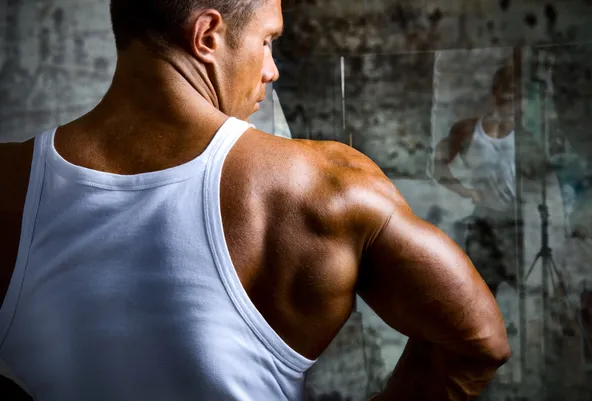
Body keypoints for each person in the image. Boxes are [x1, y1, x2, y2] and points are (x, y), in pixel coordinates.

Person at [0, 1, 510, 400]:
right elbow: (478, 341)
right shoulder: (324, 184)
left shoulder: (9, 182)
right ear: (207, 36)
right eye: (268, 40)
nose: (272, 70)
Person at [432, 64, 543, 297]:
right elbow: (437, 167)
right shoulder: (469, 130)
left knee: (519, 296)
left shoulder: (526, 138)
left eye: (516, 94)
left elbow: (544, 182)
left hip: (514, 224)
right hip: (484, 222)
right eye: (507, 91)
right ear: (496, 91)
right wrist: (465, 191)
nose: (511, 99)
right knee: (480, 296)